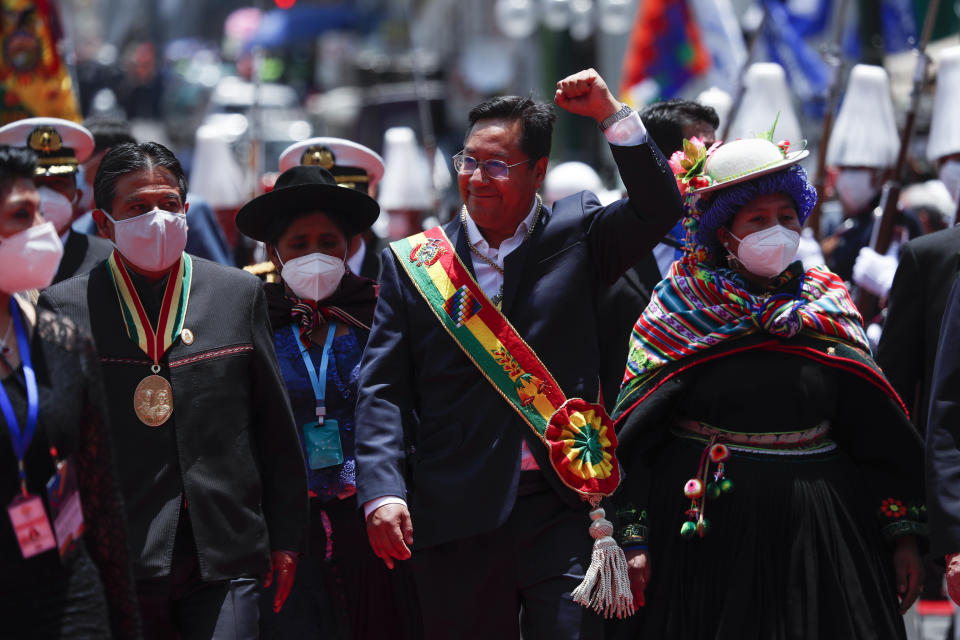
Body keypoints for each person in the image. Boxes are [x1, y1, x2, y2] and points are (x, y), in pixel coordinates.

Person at [355, 68, 683, 639]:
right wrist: (382, 489)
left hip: (564, 509)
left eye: (498, 165)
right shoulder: (414, 264)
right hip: (456, 511)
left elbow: (660, 208)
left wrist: (611, 114)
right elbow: (383, 387)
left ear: (538, 172)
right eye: (469, 161)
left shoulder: (579, 237)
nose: (478, 178)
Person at [611, 131, 926, 639]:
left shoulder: (826, 306)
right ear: (722, 234)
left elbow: (877, 433)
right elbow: (637, 436)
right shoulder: (679, 311)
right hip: (704, 529)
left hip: (822, 526)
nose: (777, 231)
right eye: (757, 220)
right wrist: (633, 537)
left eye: (786, 217)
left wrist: (904, 533)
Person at [37, 141, 309, 639]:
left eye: (168, 204)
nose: (156, 218)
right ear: (103, 223)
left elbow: (274, 427)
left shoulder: (238, 293)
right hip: (120, 553)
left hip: (225, 547)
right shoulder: (64, 307)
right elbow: (60, 443)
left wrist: (286, 536)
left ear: (187, 209)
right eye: (137, 208)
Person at [236, 164, 422, 639]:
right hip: (286, 532)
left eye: (329, 242)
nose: (315, 254)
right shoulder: (250, 320)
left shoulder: (383, 311)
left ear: (350, 246)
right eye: (299, 244)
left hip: (375, 522)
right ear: (273, 253)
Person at [0, 145, 140, 638]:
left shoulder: (64, 343)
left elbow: (101, 501)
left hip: (66, 599)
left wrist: (123, 620)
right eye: (22, 215)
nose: (43, 230)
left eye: (41, 211)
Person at [597, 98, 719, 408]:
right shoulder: (604, 247)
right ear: (660, 164)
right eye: (701, 152)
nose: (714, 165)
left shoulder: (729, 245)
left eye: (716, 149)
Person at [0, 117, 113, 284]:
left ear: (78, 196)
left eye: (58, 184)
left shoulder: (109, 262)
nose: (45, 197)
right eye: (35, 184)